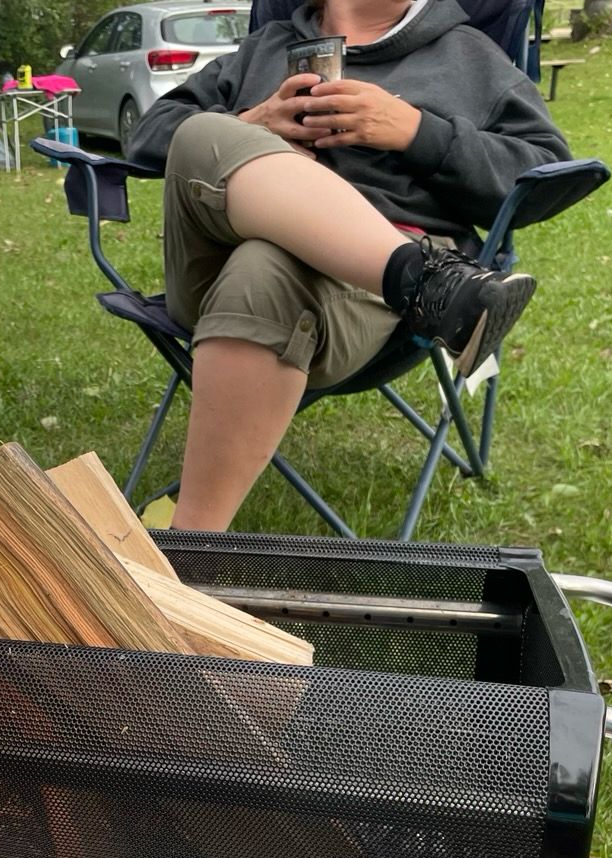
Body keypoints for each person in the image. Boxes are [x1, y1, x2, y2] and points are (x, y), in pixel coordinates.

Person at [126, 0, 572, 532]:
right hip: (211, 266)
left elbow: (548, 171)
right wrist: (255, 122)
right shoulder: (262, 49)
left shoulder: (469, 56)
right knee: (201, 133)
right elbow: (149, 136)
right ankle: (429, 282)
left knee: (264, 267)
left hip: (355, 298)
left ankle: (191, 547)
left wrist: (417, 132)